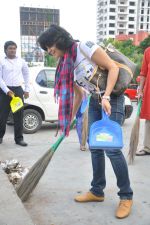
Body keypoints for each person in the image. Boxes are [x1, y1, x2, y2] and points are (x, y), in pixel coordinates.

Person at [37, 24, 133, 219]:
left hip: (111, 99)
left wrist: (106, 97)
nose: (49, 50)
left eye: (49, 45)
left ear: (59, 39)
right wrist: (68, 120)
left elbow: (113, 68)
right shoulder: (66, 64)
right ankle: (97, 191)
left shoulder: (84, 48)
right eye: (46, 48)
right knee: (95, 147)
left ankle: (126, 195)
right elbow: (79, 95)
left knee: (112, 149)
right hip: (94, 101)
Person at [0, 41, 30, 146]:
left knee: (18, 115)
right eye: (10, 48)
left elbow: (26, 75)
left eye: (14, 48)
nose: (12, 50)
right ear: (5, 50)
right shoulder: (1, 61)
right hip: (4, 92)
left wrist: (27, 89)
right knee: (2, 116)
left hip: (17, 91)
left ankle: (19, 139)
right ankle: (0, 137)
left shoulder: (21, 61)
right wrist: (6, 90)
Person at [136, 47, 150, 156]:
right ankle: (147, 147)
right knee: (149, 120)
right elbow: (143, 73)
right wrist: (140, 90)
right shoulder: (148, 51)